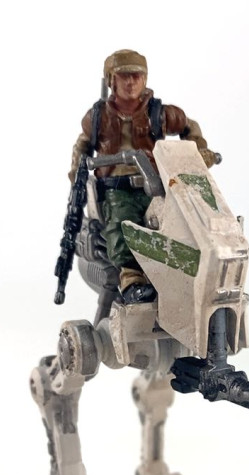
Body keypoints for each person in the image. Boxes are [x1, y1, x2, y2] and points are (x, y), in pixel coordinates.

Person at [70, 49, 217, 304]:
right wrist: (77, 176)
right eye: (124, 76)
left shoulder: (158, 113)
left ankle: (185, 277)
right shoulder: (98, 117)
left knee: (182, 221)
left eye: (136, 76)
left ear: (144, 79)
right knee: (123, 224)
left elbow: (189, 126)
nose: (131, 82)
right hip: (116, 188)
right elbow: (82, 145)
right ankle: (131, 281)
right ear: (112, 80)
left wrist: (197, 152)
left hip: (156, 184)